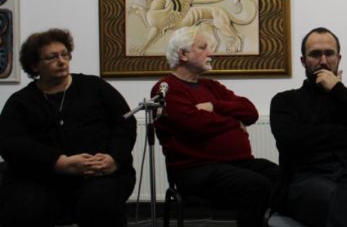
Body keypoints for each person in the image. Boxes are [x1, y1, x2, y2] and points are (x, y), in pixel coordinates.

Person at [0, 28, 136, 227]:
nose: (62, 61)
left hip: (98, 174)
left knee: (101, 201)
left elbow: (125, 123)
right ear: (35, 65)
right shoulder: (20, 102)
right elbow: (12, 143)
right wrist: (59, 163)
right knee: (24, 207)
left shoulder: (95, 87)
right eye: (52, 57)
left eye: (65, 55)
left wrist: (114, 158)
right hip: (41, 178)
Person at [151, 25, 278, 227]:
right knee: (255, 185)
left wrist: (214, 106)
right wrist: (234, 122)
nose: (211, 53)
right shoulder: (166, 88)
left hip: (236, 164)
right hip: (195, 169)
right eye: (203, 47)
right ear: (183, 54)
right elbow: (195, 125)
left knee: (279, 176)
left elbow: (250, 112)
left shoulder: (211, 86)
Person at [270, 27, 347, 227]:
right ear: (303, 61)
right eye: (315, 54)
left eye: (329, 53)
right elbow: (292, 140)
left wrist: (338, 90)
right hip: (308, 179)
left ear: (338, 58)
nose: (323, 61)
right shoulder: (285, 101)